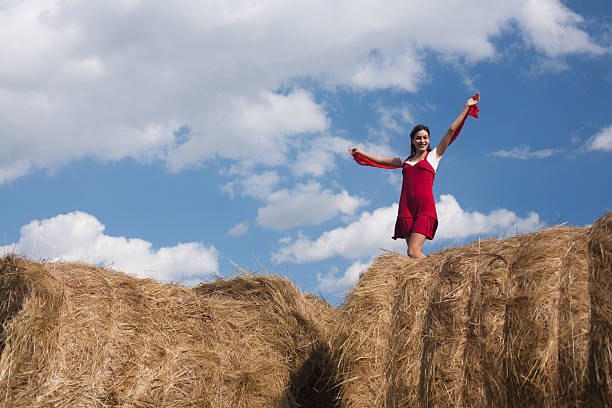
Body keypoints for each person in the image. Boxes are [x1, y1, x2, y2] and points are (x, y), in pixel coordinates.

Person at [348, 92, 480, 259]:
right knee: (412, 255)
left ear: (429, 139)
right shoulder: (405, 161)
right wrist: (360, 151)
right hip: (407, 210)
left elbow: (451, 131)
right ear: (412, 140)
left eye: (425, 138)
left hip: (424, 208)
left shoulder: (434, 157)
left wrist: (467, 107)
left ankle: (435, 275)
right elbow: (381, 159)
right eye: (418, 138)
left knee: (413, 251)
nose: (422, 141)